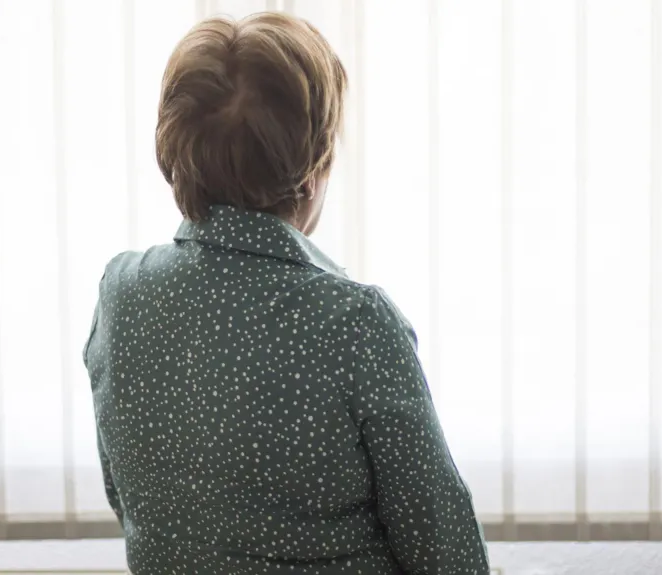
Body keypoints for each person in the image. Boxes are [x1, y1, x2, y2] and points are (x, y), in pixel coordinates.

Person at [83, 12, 489, 575]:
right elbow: (447, 554)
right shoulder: (356, 323)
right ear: (312, 172)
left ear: (174, 157)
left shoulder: (119, 296)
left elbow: (129, 502)